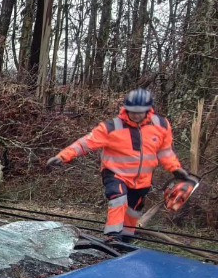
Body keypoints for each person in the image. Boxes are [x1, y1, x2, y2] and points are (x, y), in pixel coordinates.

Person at [46, 88, 191, 241]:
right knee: (118, 198)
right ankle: (112, 237)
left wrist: (175, 168)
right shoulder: (111, 127)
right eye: (131, 111)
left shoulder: (162, 125)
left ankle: (126, 241)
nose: (135, 115)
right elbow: (84, 144)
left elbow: (165, 151)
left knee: (134, 211)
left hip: (143, 179)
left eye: (139, 112)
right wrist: (62, 157)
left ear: (149, 110)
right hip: (115, 174)